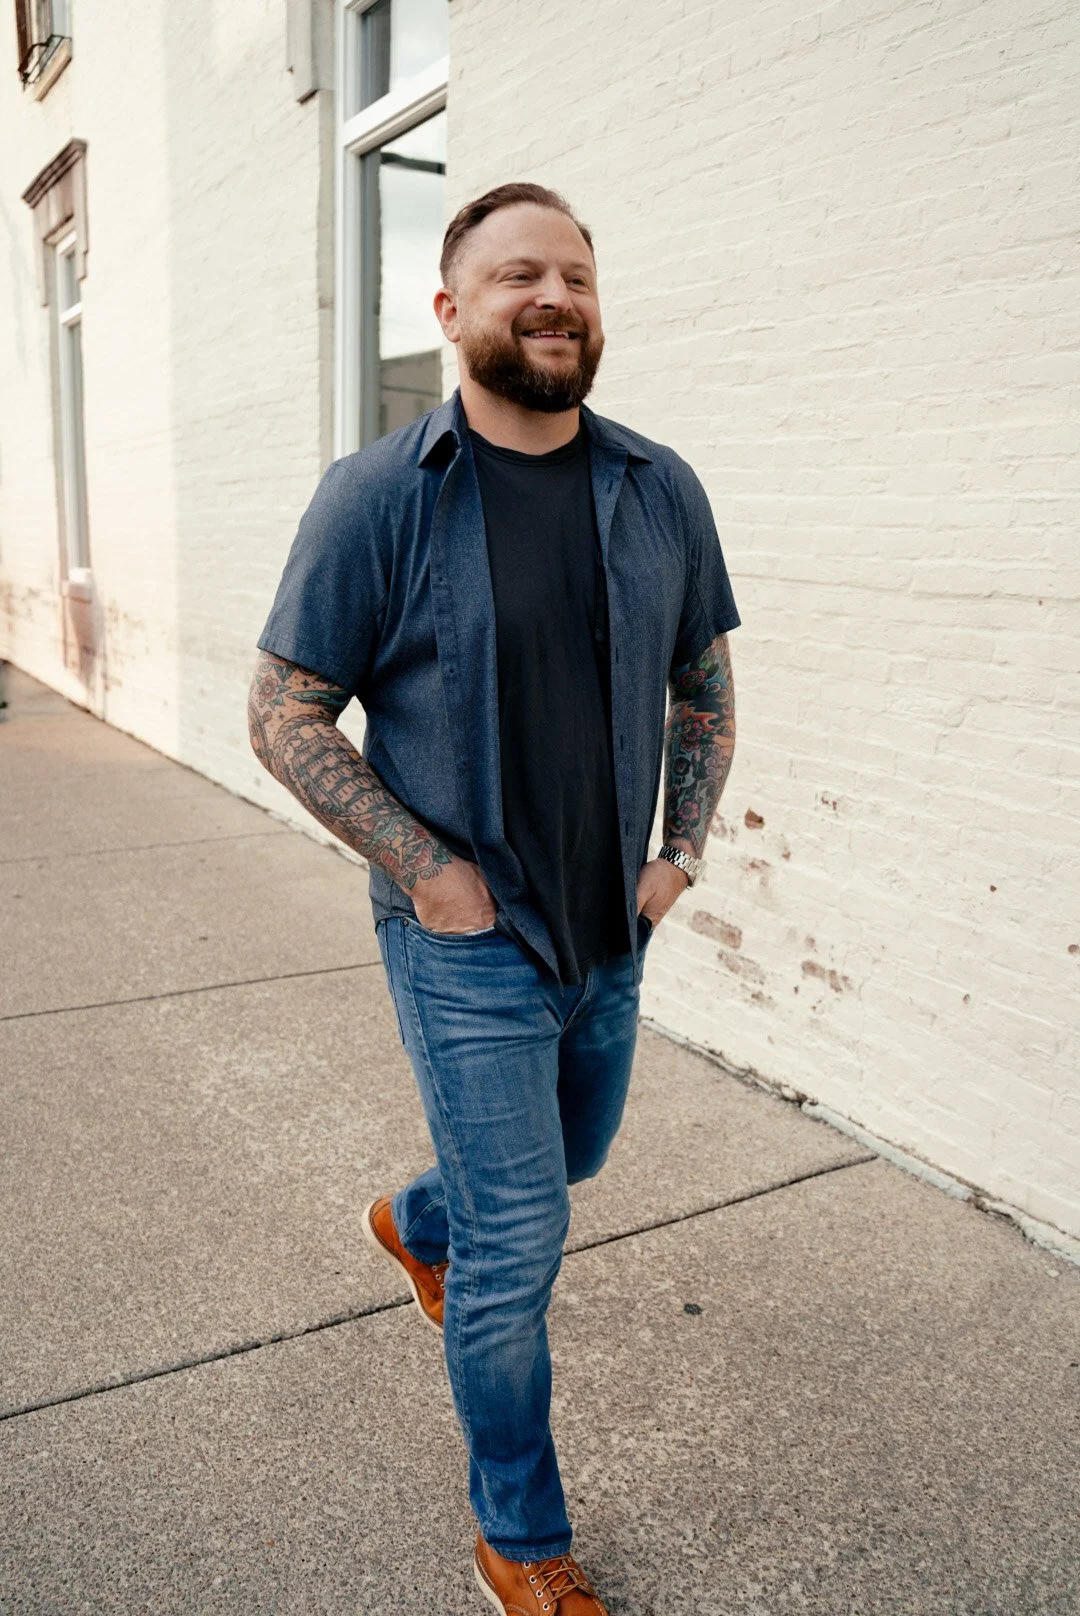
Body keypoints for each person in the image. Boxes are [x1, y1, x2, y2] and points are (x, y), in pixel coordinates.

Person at [248, 182, 738, 1615]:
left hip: (611, 931)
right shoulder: (378, 497)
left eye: (577, 275)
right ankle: (521, 1541)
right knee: (525, 1243)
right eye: (520, 273)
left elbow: (703, 683)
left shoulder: (659, 486)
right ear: (451, 310)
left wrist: (679, 858)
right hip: (468, 945)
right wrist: (432, 878)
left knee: (564, 1166)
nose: (556, 297)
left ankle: (418, 1219)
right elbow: (282, 714)